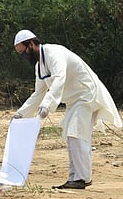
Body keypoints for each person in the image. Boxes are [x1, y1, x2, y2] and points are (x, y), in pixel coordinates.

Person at [12, 29, 122, 189]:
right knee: (72, 135)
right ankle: (77, 177)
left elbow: (59, 80)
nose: (24, 56)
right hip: (75, 100)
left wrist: (47, 105)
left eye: (24, 52)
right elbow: (38, 94)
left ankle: (81, 178)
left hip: (86, 93)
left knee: (75, 132)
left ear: (32, 44)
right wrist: (20, 114)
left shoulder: (53, 53)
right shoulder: (39, 67)